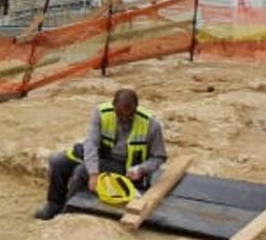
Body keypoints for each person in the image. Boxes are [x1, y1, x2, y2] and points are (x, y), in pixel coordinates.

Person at [34, 88, 167, 221]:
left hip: (124, 166)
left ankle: (67, 210)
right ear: (113, 106)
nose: (124, 120)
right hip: (103, 154)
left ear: (136, 109)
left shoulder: (151, 124)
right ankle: (54, 205)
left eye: (129, 116)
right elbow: (91, 143)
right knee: (58, 162)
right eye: (120, 116)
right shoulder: (101, 113)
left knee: (81, 171)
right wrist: (94, 173)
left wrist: (141, 169)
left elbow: (159, 156)